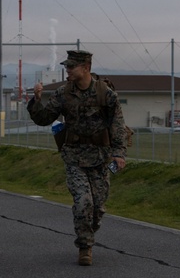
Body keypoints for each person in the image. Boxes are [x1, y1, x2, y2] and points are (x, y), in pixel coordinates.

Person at [27, 50, 128, 266]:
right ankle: (85, 247)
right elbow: (45, 119)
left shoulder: (106, 94)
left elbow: (117, 126)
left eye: (72, 66)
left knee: (98, 207)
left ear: (86, 68)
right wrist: (35, 101)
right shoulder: (63, 94)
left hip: (100, 158)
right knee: (83, 201)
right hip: (74, 156)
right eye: (67, 66)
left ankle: (88, 234)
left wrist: (119, 154)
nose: (68, 70)